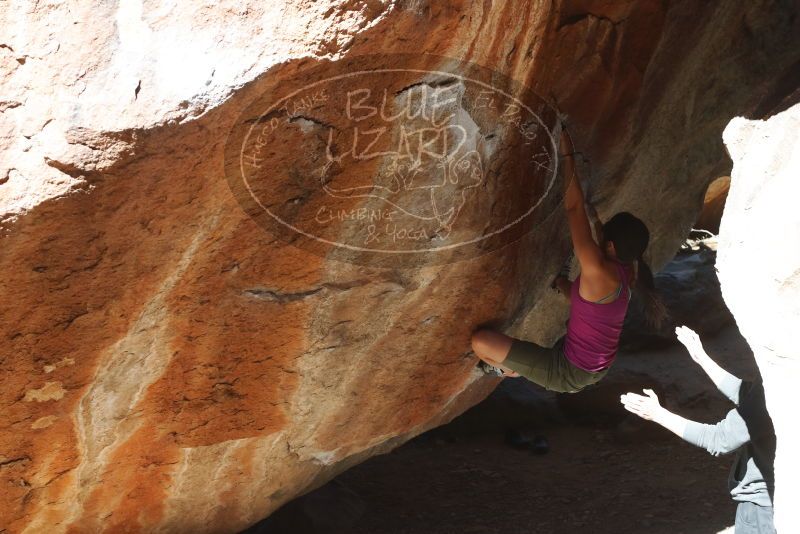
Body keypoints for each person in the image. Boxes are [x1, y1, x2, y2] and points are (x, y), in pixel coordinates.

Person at [470, 122, 665, 393]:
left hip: (568, 373)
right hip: (596, 365)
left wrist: (567, 154)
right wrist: (562, 281)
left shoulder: (598, 268)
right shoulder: (626, 271)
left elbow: (574, 209)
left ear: (608, 246)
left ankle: (507, 369)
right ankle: (555, 289)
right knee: (575, 292)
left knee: (481, 343)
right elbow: (587, 303)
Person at [621, 326, 776, 534]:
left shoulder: (775, 391)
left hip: (762, 510)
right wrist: (701, 357)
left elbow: (718, 440)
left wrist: (657, 414)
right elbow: (750, 394)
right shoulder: (786, 371)